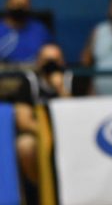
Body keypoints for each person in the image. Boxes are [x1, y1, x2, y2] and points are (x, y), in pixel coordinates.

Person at [14, 44, 72, 202]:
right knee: (25, 145)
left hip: (68, 135)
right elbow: (23, 121)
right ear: (38, 62)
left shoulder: (71, 79)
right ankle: (41, 189)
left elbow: (77, 115)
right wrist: (47, 132)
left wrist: (60, 88)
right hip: (39, 133)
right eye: (47, 61)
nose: (51, 65)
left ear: (63, 62)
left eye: (55, 60)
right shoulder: (30, 81)